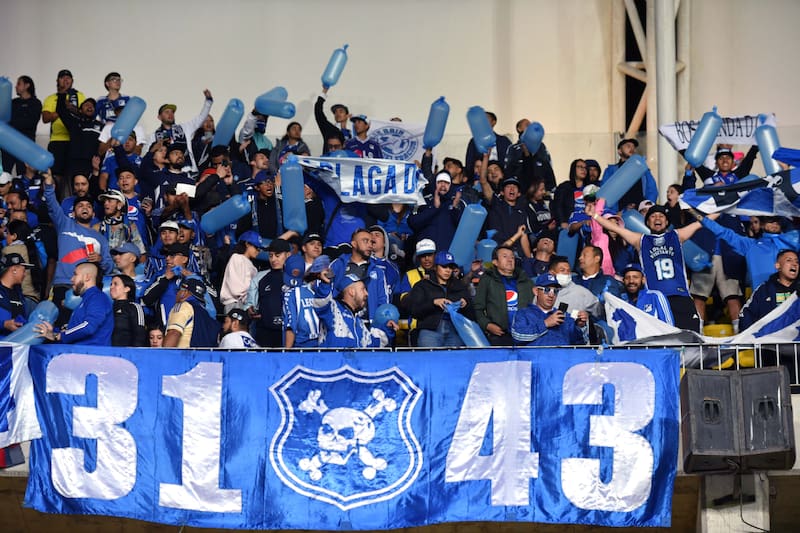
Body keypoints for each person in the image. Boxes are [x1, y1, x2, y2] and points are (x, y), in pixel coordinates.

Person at [587, 203, 703, 331]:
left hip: (681, 297)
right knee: (664, 340)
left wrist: (725, 205)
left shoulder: (676, 235)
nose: (657, 218)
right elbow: (616, 229)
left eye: (661, 216)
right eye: (653, 216)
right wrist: (595, 215)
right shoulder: (641, 240)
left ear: (666, 221)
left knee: (692, 338)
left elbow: (701, 223)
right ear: (647, 222)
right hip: (656, 298)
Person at [42, 169, 113, 323]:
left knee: (82, 326)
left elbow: (109, 266)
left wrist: (100, 259)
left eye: (88, 205)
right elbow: (51, 203)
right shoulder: (64, 224)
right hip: (63, 284)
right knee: (59, 324)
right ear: (73, 213)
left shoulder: (101, 239)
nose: (85, 207)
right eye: (80, 205)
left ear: (94, 214)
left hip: (88, 290)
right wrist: (48, 181)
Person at [36, 262, 113, 345]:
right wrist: (54, 331)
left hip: (90, 354)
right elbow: (76, 328)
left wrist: (59, 336)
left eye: (75, 275)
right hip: (82, 353)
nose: (71, 279)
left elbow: (89, 327)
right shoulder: (86, 300)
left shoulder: (97, 298)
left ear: (87, 277)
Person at [406, 251, 471, 347]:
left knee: (454, 361)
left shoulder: (459, 285)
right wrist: (433, 302)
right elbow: (413, 310)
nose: (448, 270)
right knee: (430, 361)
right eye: (444, 266)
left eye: (450, 267)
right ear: (435, 267)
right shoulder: (423, 285)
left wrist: (466, 304)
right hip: (430, 330)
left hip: (455, 330)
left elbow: (472, 311)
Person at [314, 273, 395, 348]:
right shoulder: (332, 310)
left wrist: (387, 328)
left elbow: (373, 344)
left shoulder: (359, 322)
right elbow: (321, 302)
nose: (367, 294)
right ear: (351, 292)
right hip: (330, 362)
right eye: (363, 289)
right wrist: (325, 284)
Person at [473, 245, 534, 345]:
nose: (510, 260)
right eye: (505, 256)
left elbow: (534, 307)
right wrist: (487, 325)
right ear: (495, 262)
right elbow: (477, 307)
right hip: (499, 335)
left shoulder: (526, 281)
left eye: (512, 257)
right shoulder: (488, 279)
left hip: (524, 335)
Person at [144, 90, 214, 172]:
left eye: (172, 112)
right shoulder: (154, 136)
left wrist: (208, 101)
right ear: (159, 117)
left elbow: (200, 118)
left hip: (187, 169)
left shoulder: (184, 128)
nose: (170, 114)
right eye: (166, 112)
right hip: (166, 172)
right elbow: (148, 154)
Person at [511, 273, 588, 346]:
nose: (551, 295)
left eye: (555, 291)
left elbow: (581, 343)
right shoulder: (523, 314)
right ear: (536, 291)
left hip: (562, 359)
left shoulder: (564, 317)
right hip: (533, 359)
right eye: (547, 290)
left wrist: (580, 326)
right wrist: (545, 324)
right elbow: (517, 336)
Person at [41, 69, 86, 181]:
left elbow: (84, 114)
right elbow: (45, 118)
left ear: (72, 81)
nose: (66, 80)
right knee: (56, 173)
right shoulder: (51, 98)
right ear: (57, 80)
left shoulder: (79, 96)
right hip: (57, 140)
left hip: (74, 140)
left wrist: (71, 107)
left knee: (74, 173)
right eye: (62, 78)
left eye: (68, 78)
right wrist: (61, 108)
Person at [739, 249, 799, 331]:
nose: (794, 264)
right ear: (778, 266)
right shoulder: (764, 290)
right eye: (789, 260)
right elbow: (746, 314)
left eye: (797, 262)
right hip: (770, 341)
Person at [247, 238, 292, 347]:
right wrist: (250, 310)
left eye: (277, 255)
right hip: (264, 332)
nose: (273, 259)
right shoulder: (259, 277)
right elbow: (250, 304)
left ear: (288, 255)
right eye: (270, 255)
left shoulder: (295, 278)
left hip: (288, 332)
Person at [408, 171, 465, 252]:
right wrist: (434, 208)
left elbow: (464, 228)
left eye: (446, 183)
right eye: (439, 182)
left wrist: (455, 208)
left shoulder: (458, 203)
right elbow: (413, 223)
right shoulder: (423, 201)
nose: (443, 185)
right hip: (426, 254)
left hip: (448, 255)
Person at [284, 255, 330, 348]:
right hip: (303, 347)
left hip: (326, 347)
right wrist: (287, 354)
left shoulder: (333, 292)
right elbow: (290, 326)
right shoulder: (294, 293)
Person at [479, 173, 531, 258]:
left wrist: (530, 260)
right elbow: (483, 181)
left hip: (516, 254)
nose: (512, 189)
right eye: (508, 186)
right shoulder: (496, 204)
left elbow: (523, 236)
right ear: (502, 192)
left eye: (515, 187)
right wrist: (485, 159)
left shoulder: (522, 211)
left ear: (519, 194)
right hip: (496, 252)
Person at [600, 138, 657, 212]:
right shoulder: (611, 171)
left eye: (634, 147)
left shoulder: (643, 169)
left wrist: (647, 208)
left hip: (640, 213)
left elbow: (652, 190)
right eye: (628, 146)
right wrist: (612, 213)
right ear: (619, 151)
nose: (632, 149)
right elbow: (605, 195)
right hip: (618, 215)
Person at [163, 277, 221, 348]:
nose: (176, 294)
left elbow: (174, 333)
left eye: (178, 290)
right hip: (204, 358)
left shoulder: (183, 306)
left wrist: (164, 357)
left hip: (185, 357)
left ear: (185, 292)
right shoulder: (207, 315)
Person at [2, 76, 41, 175]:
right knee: (5, 173)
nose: (15, 87)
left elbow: (30, 122)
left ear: (27, 85)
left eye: (19, 84)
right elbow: (4, 119)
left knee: (24, 173)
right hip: (9, 144)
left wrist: (12, 122)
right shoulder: (13, 102)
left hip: (25, 144)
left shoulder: (35, 103)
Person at [220, 230, 261, 312]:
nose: (258, 251)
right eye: (256, 247)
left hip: (248, 304)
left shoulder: (253, 267)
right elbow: (236, 288)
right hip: (234, 304)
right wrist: (251, 294)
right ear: (247, 244)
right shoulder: (236, 258)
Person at [109, 274, 147, 347]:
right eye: (111, 284)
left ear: (127, 289)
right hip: (108, 354)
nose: (111, 287)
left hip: (127, 355)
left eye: (115, 284)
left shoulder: (134, 307)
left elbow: (140, 334)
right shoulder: (108, 308)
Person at [0, 253, 33, 336]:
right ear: (14, 269)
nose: (25, 275)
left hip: (15, 344)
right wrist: (3, 324)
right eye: (23, 271)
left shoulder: (19, 293)